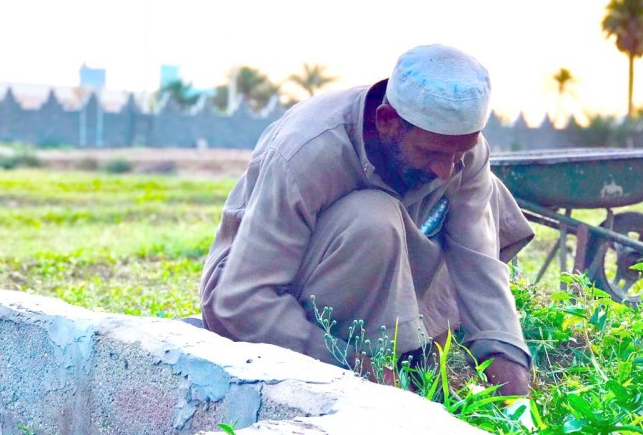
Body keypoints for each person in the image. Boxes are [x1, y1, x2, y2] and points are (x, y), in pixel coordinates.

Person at [200, 44, 535, 395]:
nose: (445, 170)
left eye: (459, 153)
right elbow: (241, 300)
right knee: (374, 219)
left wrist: (519, 403)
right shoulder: (309, 152)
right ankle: (390, 368)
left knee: (488, 197)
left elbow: (479, 272)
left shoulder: (459, 156)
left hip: (374, 278)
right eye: (432, 153)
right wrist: (353, 365)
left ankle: (410, 360)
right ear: (388, 123)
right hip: (256, 299)